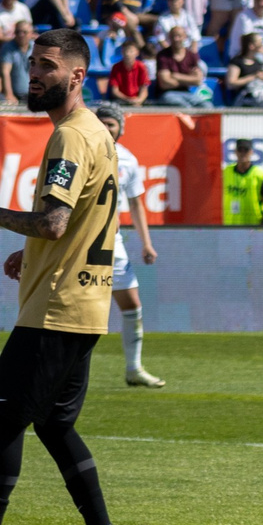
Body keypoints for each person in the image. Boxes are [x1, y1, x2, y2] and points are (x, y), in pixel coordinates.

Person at [0, 27, 128, 525]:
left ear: (77, 76)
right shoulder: (97, 134)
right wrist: (28, 254)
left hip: (57, 306)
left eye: (48, 66)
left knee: (7, 419)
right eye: (32, 64)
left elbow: (53, 223)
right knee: (54, 425)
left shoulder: (72, 136)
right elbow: (71, 226)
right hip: (84, 302)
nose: (34, 74)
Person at [92, 104, 166, 388]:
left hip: (113, 241)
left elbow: (135, 203)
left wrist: (146, 243)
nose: (108, 129)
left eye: (112, 124)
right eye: (103, 123)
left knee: (132, 304)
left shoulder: (128, 160)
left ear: (120, 128)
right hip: (82, 242)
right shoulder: (83, 151)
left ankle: (134, 368)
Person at [222, 136, 263, 227]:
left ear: (251, 152)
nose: (242, 153)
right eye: (240, 150)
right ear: (235, 152)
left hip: (252, 225)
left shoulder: (260, 175)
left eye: (245, 150)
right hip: (230, 223)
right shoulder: (225, 172)